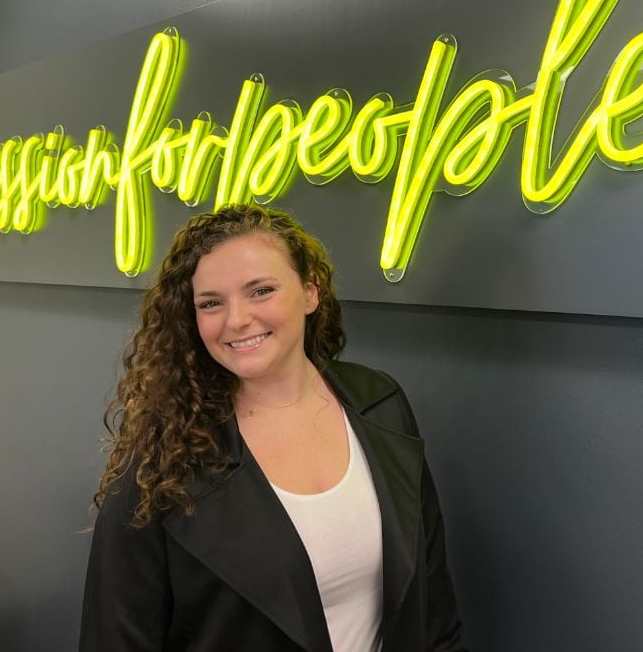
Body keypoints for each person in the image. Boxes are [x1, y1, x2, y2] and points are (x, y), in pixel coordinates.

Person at [80, 204, 465, 652]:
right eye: (211, 303)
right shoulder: (161, 461)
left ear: (309, 293)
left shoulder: (379, 402)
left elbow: (434, 616)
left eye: (260, 291)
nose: (237, 319)